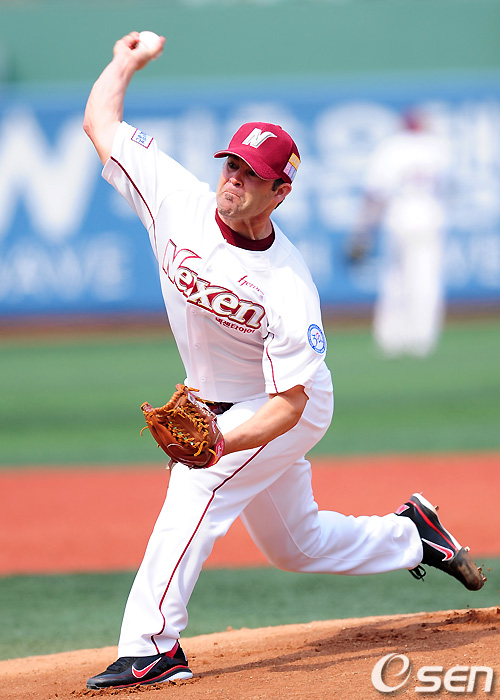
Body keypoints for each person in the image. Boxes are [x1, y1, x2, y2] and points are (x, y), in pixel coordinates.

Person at [83, 33, 484, 690]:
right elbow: (100, 121)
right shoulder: (176, 198)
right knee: (296, 546)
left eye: (250, 174)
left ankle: (152, 647)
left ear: (280, 191)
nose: (233, 179)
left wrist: (219, 442)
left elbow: (290, 404)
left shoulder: (287, 285)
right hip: (214, 397)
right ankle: (413, 535)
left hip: (283, 405)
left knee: (198, 485)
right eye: (230, 164)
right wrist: (125, 61)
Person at [348, 108, 451, 358]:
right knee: (426, 279)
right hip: (430, 215)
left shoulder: (392, 147)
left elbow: (376, 193)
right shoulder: (438, 146)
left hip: (400, 215)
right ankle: (422, 339)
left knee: (395, 277)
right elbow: (451, 188)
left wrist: (362, 232)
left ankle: (391, 339)